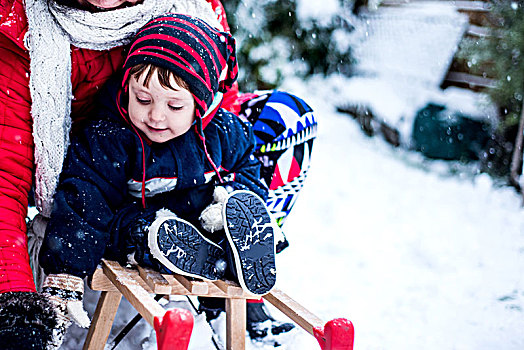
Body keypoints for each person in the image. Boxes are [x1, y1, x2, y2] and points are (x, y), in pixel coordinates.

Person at [0, 0, 315, 346]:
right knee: (134, 230)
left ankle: (241, 251)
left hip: (196, 203)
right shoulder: (112, 136)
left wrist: (236, 194)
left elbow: (244, 160)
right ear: (126, 90)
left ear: (202, 103)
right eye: (144, 101)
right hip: (130, 206)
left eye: (174, 106)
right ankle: (164, 243)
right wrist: (65, 274)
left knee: (285, 125)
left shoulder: (217, 127)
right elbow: (86, 198)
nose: (156, 117)